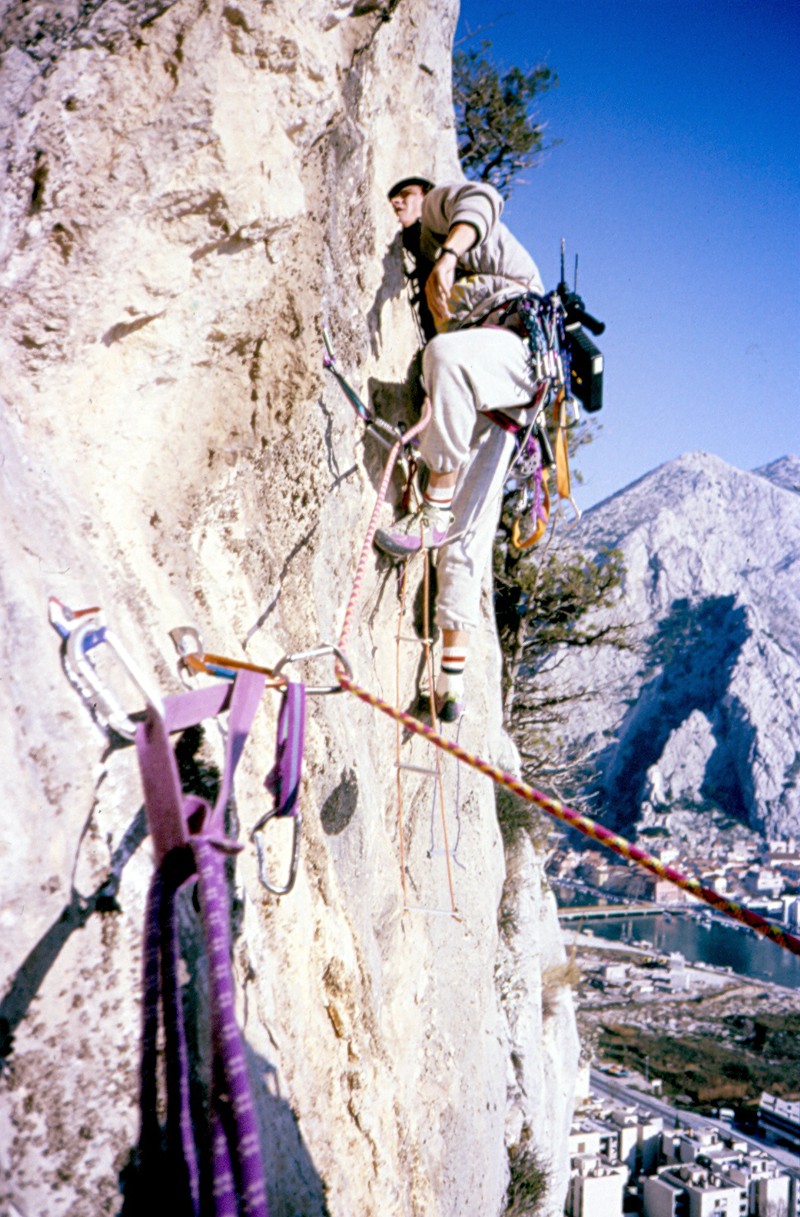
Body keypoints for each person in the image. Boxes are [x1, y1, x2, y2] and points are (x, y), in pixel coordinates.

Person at [374, 175, 545, 723]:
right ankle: (450, 685)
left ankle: (434, 509)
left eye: (404, 196)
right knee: (470, 537)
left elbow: (483, 197)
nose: (398, 207)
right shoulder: (416, 258)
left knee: (445, 357)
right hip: (499, 394)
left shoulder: (442, 216)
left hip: (517, 345)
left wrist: (447, 255)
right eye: (394, 201)